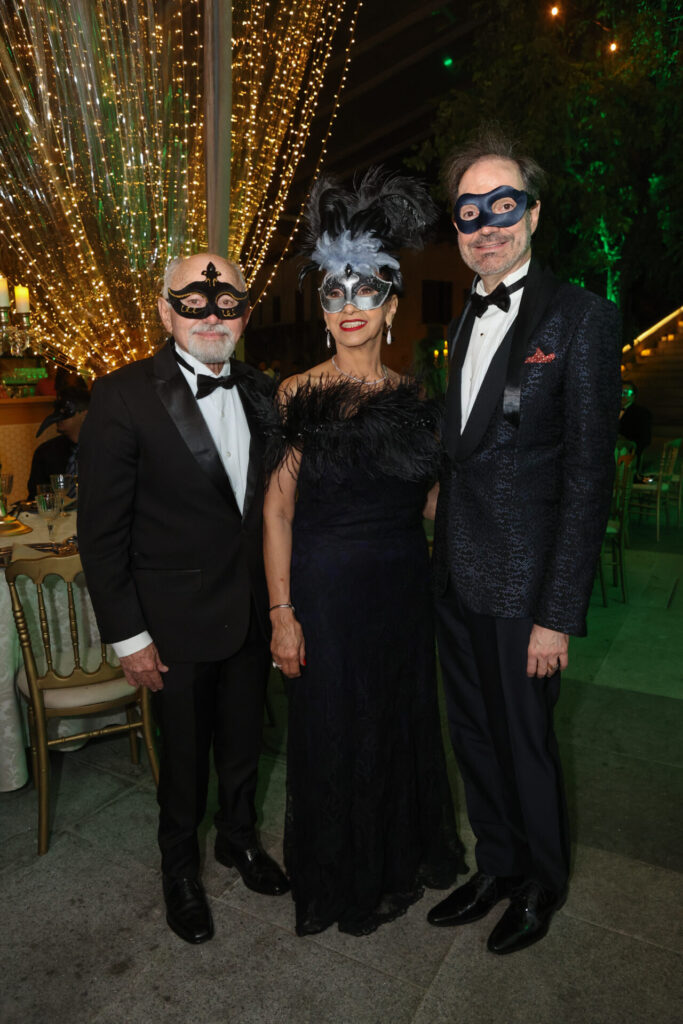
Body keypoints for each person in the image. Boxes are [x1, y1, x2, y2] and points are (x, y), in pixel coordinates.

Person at [428, 128, 621, 954]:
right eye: (468, 210)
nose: (486, 224)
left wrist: (556, 614)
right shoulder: (460, 318)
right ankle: (497, 865)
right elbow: (466, 448)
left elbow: (587, 478)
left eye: (502, 205)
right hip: (455, 574)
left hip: (524, 584)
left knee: (526, 742)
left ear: (533, 214)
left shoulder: (581, 318)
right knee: (473, 736)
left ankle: (541, 883)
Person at [263, 170, 466, 938]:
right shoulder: (296, 394)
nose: (349, 304)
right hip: (325, 597)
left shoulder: (415, 401)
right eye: (333, 292)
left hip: (400, 598)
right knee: (333, 732)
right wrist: (281, 612)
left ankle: (392, 860)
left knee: (396, 725)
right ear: (322, 310)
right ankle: (339, 877)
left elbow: (431, 503)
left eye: (366, 289)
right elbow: (277, 510)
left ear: (391, 305)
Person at [78, 253, 289, 946]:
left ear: (244, 315)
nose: (210, 315)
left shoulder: (264, 392)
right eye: (193, 302)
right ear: (166, 312)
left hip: (250, 612)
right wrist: (129, 637)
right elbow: (100, 534)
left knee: (243, 745)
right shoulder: (122, 395)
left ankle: (238, 839)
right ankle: (179, 870)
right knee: (184, 763)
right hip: (171, 625)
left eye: (226, 303)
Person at [27, 385, 90, 499]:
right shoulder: (46, 453)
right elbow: (35, 497)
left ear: (84, 415)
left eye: (67, 410)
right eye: (58, 409)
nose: (59, 415)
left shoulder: (103, 451)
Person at [618, 380, 652, 471]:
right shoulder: (608, 411)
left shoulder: (642, 413)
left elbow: (645, 439)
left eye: (628, 393)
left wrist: (630, 444)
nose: (623, 395)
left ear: (633, 396)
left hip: (628, 457)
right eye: (621, 392)